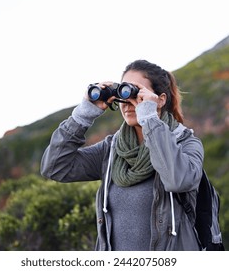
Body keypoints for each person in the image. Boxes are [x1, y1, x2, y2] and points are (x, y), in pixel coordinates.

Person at [40, 59, 204, 251]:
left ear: (160, 100)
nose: (127, 103)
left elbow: (178, 180)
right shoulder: (111, 151)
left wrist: (149, 119)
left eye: (135, 93)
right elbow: (55, 168)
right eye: (123, 94)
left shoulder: (186, 144)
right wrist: (83, 114)